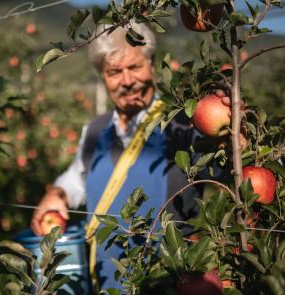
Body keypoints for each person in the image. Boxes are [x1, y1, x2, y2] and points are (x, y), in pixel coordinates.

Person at [31, 22, 202, 290]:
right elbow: (76, 179)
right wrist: (57, 194)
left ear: (152, 65)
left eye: (134, 67)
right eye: (114, 72)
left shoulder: (186, 125)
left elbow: (243, 175)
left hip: (170, 285)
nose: (126, 81)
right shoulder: (95, 130)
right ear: (102, 75)